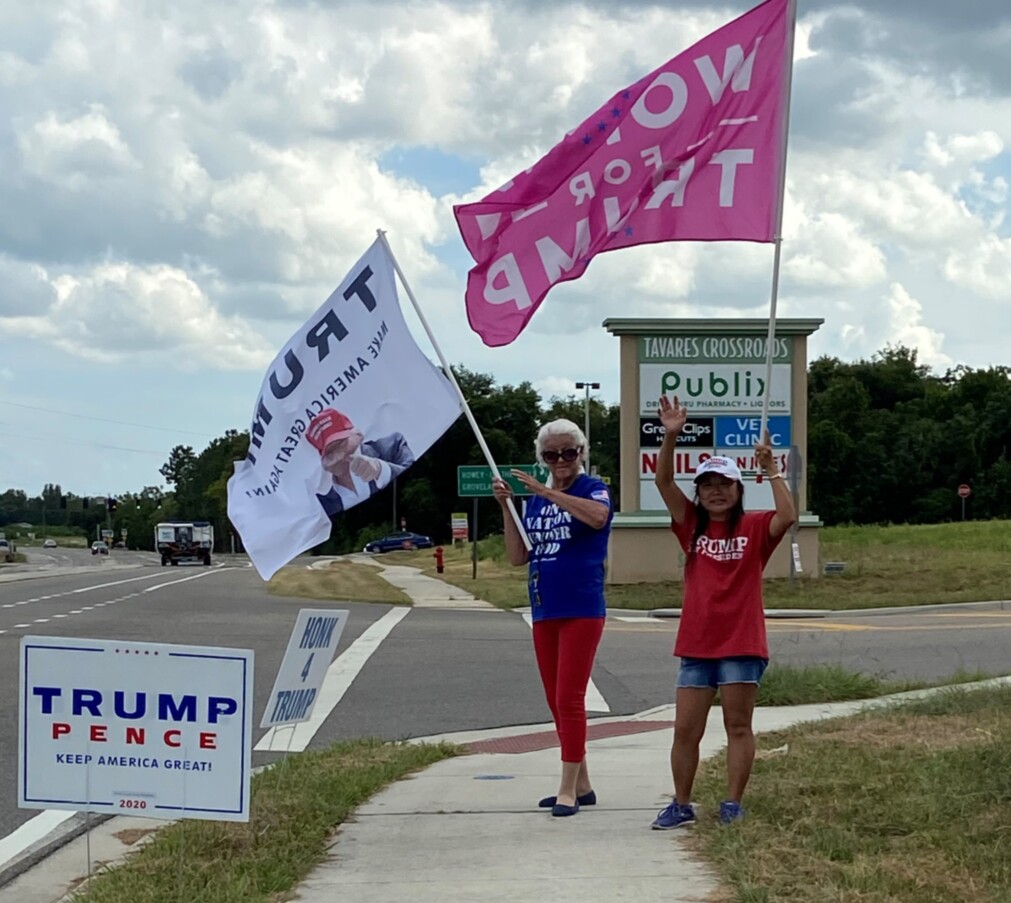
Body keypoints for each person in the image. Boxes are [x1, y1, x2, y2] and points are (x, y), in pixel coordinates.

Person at [651, 394, 796, 829]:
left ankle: (732, 804)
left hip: (741, 642)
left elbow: (787, 515)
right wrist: (671, 435)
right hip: (697, 644)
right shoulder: (690, 524)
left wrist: (770, 468)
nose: (716, 491)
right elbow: (662, 483)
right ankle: (681, 803)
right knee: (685, 731)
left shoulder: (754, 527)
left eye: (724, 484)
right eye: (708, 484)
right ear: (699, 492)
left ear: (738, 489)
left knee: (737, 726)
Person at [492, 418, 614, 818]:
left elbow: (597, 517)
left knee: (570, 698)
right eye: (551, 454)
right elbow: (517, 556)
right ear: (541, 456)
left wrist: (547, 489)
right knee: (555, 700)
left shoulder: (591, 488)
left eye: (568, 452)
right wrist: (509, 507)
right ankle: (583, 783)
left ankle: (566, 790)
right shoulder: (539, 501)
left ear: (581, 453)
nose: (560, 460)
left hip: (581, 606)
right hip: (545, 606)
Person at [306, 408, 415, 517]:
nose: (340, 456)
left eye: (342, 444)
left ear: (357, 436)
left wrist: (380, 470)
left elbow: (417, 482)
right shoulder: (322, 507)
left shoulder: (392, 447)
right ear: (324, 463)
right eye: (330, 453)